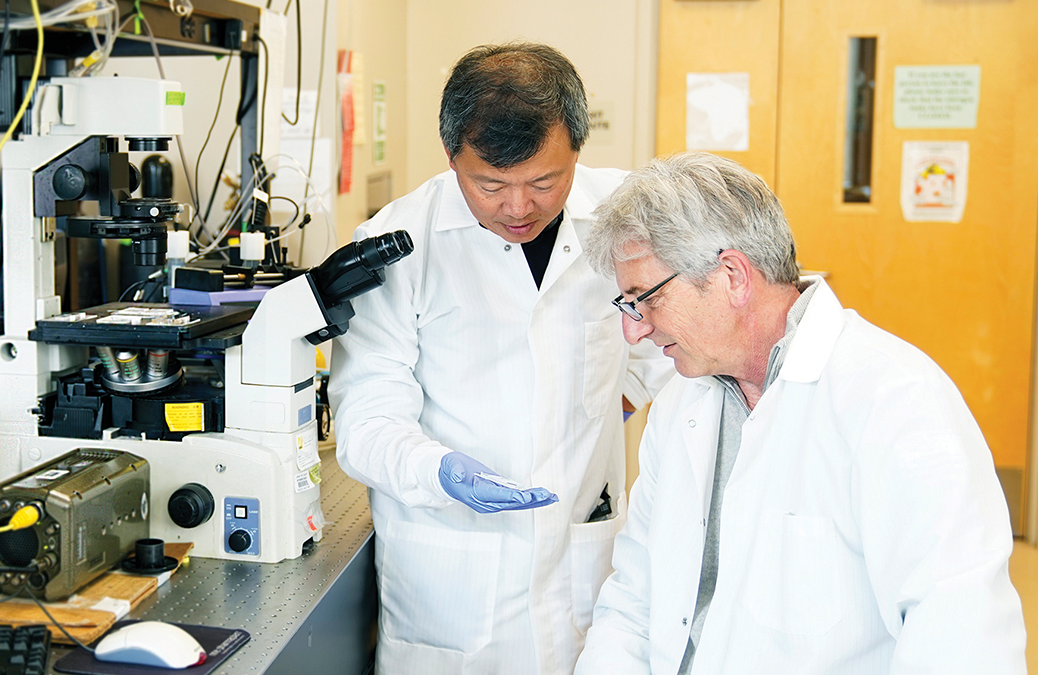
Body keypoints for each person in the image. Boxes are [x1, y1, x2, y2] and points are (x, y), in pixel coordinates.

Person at [574, 151, 1026, 674]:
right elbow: (634, 597)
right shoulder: (682, 404)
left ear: (732, 276)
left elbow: (960, 638)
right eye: (627, 306)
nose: (636, 330)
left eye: (646, 298)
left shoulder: (894, 401)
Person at [329, 43, 674, 674]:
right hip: (449, 567)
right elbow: (365, 419)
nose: (520, 209)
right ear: (451, 156)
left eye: (546, 182)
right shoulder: (396, 245)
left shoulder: (628, 218)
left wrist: (595, 416)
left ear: (578, 147)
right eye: (490, 185)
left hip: (582, 556)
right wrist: (438, 473)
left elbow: (670, 345)